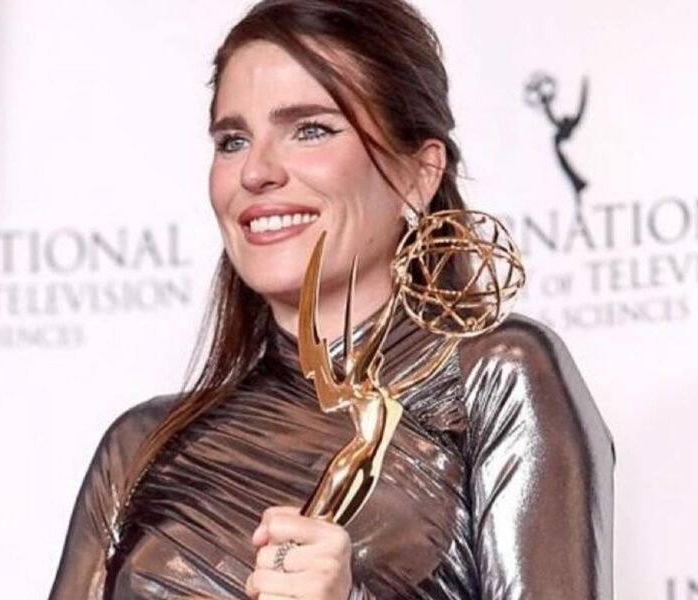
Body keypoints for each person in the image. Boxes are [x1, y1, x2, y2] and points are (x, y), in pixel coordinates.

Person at [49, 0, 615, 598]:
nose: (256, 172)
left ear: (419, 174)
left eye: (311, 130)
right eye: (233, 140)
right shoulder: (139, 447)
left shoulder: (495, 377)